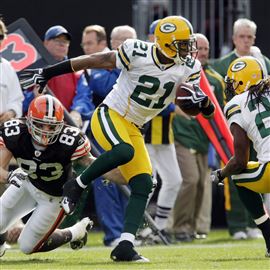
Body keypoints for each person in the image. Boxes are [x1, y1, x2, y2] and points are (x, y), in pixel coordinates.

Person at [19, 15, 215, 262]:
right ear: (166, 43)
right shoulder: (138, 51)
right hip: (110, 114)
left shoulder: (189, 67)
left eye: (188, 44)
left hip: (134, 125)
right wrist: (49, 72)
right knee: (125, 151)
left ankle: (125, 246)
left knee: (144, 183)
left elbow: (190, 106)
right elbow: (95, 59)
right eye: (183, 44)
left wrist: (205, 105)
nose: (188, 50)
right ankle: (76, 184)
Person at [68, 25, 137, 247]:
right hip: (101, 131)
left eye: (89, 44)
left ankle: (130, 231)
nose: (85, 48)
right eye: (84, 44)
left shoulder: (127, 64)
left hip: (129, 129)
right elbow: (84, 97)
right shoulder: (88, 70)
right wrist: (79, 112)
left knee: (134, 177)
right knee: (106, 182)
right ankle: (114, 235)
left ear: (102, 43)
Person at [0, 95, 93, 257]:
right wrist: (9, 176)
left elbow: (93, 164)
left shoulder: (70, 139)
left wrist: (125, 172)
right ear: (28, 120)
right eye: (40, 124)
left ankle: (74, 232)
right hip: (26, 180)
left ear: (61, 124)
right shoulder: (15, 132)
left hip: (53, 197)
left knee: (27, 246)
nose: (45, 131)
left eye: (51, 126)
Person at [212, 18, 268, 240]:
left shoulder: (236, 103)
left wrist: (220, 174)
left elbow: (239, 162)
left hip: (262, 159)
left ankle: (267, 233)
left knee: (238, 174)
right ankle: (240, 225)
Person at [168, 33, 224, 242]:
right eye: (197, 48)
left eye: (205, 48)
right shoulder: (178, 74)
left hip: (204, 139)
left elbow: (218, 113)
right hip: (181, 136)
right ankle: (179, 226)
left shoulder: (214, 81)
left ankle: (191, 228)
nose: (201, 52)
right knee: (189, 180)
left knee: (201, 183)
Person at [0, 17, 24, 244]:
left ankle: (3, 234)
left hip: (2, 134)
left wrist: (11, 112)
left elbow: (18, 99)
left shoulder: (7, 68)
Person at [23, 25, 80, 114]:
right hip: (35, 124)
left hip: (64, 124)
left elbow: (83, 97)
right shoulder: (31, 68)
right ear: (45, 42)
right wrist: (32, 96)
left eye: (65, 41)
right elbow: (16, 98)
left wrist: (77, 111)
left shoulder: (76, 73)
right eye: (57, 40)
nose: (62, 44)